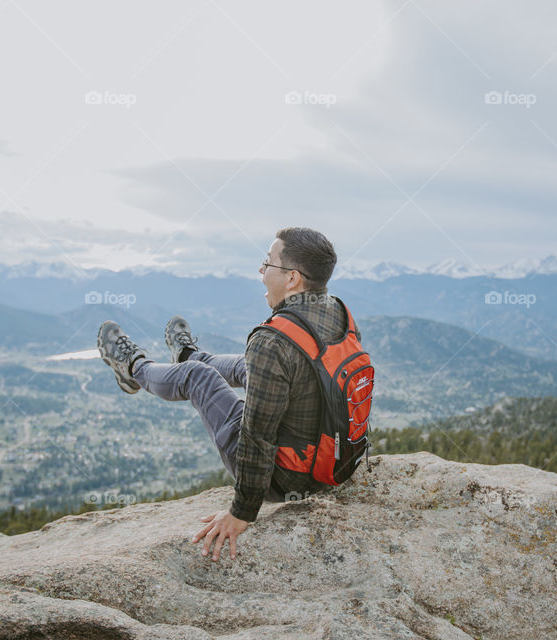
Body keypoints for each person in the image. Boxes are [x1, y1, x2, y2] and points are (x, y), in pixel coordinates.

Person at [97, 227, 360, 562]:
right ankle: (190, 354)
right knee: (250, 365)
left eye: (268, 264)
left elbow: (257, 435)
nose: (261, 272)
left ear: (292, 278)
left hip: (286, 477)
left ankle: (133, 367)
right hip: (334, 461)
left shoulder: (273, 340)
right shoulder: (338, 312)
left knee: (198, 378)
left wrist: (241, 512)